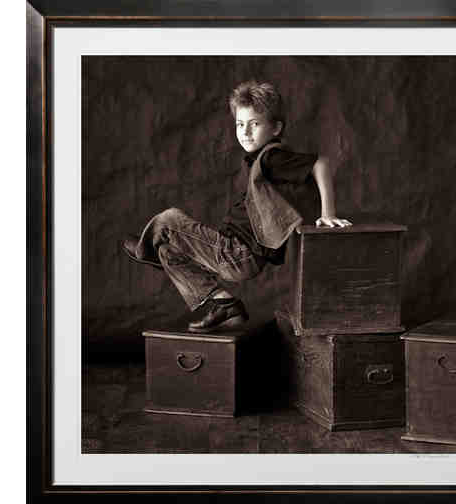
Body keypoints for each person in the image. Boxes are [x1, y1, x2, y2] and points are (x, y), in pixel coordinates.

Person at [122, 80, 351, 332]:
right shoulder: (259, 160)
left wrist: (328, 213)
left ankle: (146, 251)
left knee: (169, 219)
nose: (245, 132)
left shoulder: (273, 157)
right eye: (240, 124)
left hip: (239, 253)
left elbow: (321, 163)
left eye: (255, 124)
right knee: (168, 251)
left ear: (276, 128)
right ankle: (225, 304)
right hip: (235, 252)